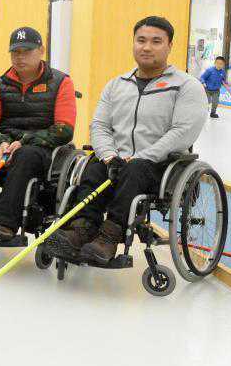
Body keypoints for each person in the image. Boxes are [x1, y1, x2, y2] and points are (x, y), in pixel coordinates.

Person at [43, 16, 207, 265]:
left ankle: (109, 236)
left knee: (135, 169)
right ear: (133, 43)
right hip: (116, 160)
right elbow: (100, 125)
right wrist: (109, 155)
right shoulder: (116, 85)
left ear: (170, 46)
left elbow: (183, 131)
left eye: (156, 41)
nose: (147, 47)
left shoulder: (186, 86)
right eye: (141, 40)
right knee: (93, 165)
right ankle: (82, 228)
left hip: (160, 165)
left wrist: (142, 156)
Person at [0, 27, 76, 245]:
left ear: (41, 50)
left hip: (41, 149)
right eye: (15, 52)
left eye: (27, 51)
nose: (20, 57)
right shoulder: (0, 84)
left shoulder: (61, 82)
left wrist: (23, 141)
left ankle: (4, 223)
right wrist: (1, 142)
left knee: (25, 156)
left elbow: (64, 129)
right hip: (5, 145)